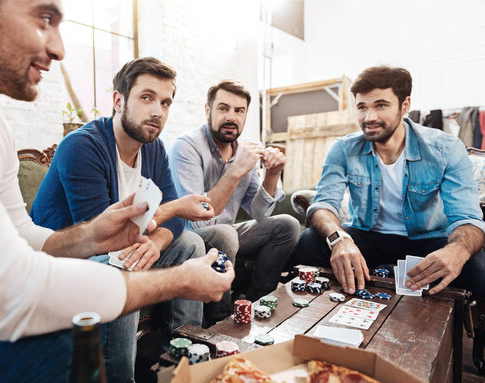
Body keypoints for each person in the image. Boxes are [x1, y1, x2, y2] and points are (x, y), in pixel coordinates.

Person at [0, 0, 234, 381]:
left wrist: (90, 234)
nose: (59, 49)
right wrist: (182, 279)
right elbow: (13, 293)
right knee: (48, 332)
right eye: (44, 19)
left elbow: (21, 233)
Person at [30, 57, 214, 381]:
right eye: (147, 98)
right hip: (65, 262)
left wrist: (157, 242)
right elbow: (104, 236)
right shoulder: (83, 146)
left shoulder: (153, 149)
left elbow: (175, 223)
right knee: (122, 268)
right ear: (118, 101)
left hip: (120, 250)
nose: (158, 111)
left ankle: (182, 367)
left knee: (190, 244)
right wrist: (173, 210)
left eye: (165, 102)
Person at [297, 65, 485, 296]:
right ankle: (320, 313)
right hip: (366, 237)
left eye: (381, 105)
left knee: (477, 266)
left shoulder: (446, 149)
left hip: (426, 241)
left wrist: (457, 251)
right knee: (309, 241)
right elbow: (323, 204)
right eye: (362, 107)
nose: (369, 117)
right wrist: (339, 240)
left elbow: (468, 219)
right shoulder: (343, 149)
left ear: (404, 105)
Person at [169, 80, 300, 322]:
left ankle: (256, 302)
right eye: (223, 108)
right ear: (208, 110)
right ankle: (222, 317)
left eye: (239, 111)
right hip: (191, 237)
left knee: (287, 225)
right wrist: (236, 169)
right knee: (224, 233)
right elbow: (198, 221)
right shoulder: (186, 147)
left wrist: (272, 174)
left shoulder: (243, 149)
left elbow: (260, 214)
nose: (232, 116)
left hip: (228, 233)